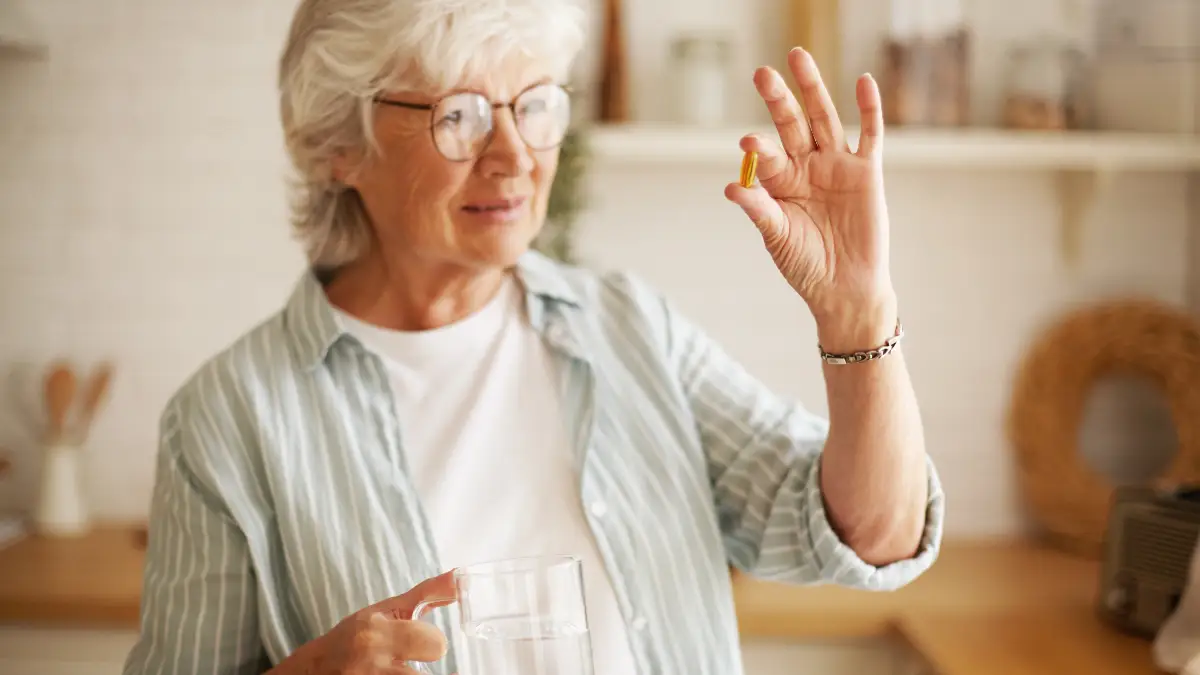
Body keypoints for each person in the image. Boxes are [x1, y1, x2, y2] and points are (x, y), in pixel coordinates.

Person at [122, 0, 945, 674]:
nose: (514, 156)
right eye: (461, 116)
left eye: (536, 104)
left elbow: (875, 533)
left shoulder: (628, 328)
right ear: (339, 144)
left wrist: (859, 314)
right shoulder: (226, 420)